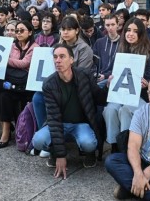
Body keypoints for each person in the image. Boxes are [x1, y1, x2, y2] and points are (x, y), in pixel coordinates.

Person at [32, 44, 108, 174]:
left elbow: (100, 99)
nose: (58, 60)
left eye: (62, 56)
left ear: (71, 60)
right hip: (60, 123)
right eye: (55, 57)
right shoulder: (49, 83)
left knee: (89, 143)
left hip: (81, 124)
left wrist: (107, 87)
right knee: (37, 141)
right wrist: (60, 155)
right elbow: (54, 119)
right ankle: (53, 152)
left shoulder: (84, 75)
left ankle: (89, 154)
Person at [104, 18, 150, 152]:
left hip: (140, 97)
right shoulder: (120, 50)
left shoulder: (148, 54)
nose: (131, 34)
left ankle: (126, 147)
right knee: (110, 110)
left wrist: (147, 84)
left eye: (135, 31)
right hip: (121, 95)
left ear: (141, 34)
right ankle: (114, 145)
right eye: (128, 30)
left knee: (125, 110)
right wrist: (110, 81)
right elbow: (114, 74)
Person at [0, 20, 37, 148]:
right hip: (11, 82)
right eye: (17, 31)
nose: (18, 33)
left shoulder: (35, 47)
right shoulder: (11, 45)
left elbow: (24, 63)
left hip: (25, 85)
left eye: (22, 30)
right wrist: (9, 61)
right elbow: (16, 63)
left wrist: (4, 59)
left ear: (30, 32)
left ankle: (8, 129)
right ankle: (6, 130)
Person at [93, 15, 121, 84]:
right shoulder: (99, 42)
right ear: (104, 26)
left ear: (117, 25)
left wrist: (105, 76)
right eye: (108, 25)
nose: (110, 28)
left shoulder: (123, 43)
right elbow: (93, 61)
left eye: (113, 24)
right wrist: (96, 73)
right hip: (99, 78)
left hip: (116, 78)